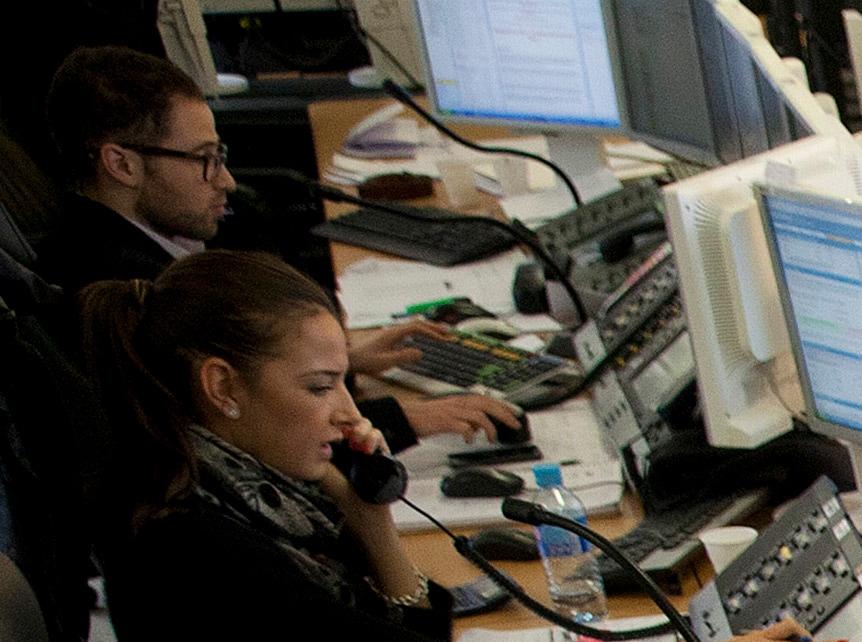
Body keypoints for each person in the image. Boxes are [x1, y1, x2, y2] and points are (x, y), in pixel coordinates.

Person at [81, 252, 837, 642]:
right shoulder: (197, 546)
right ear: (221, 387)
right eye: (319, 387)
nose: (349, 413)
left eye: (344, 380)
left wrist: (371, 521)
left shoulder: (247, 496)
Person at [36, 46, 522, 451]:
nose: (226, 180)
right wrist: (404, 419)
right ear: (121, 165)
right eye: (204, 159)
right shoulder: (126, 293)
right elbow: (229, 443)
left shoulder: (125, 243)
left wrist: (339, 363)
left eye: (220, 156)